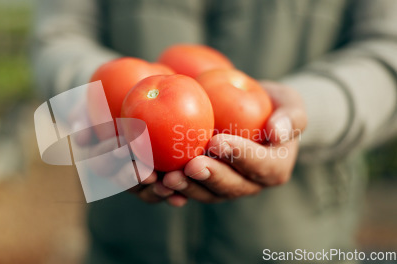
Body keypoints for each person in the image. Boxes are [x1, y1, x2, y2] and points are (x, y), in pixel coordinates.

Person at [31, 0, 397, 263]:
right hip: (125, 243)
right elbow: (58, 35)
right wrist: (95, 95)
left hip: (300, 244)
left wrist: (304, 114)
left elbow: (387, 48)